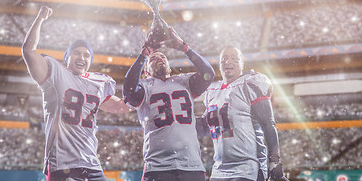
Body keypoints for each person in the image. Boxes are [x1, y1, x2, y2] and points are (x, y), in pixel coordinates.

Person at [22, 6, 131, 181]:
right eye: (77, 53)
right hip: (62, 164)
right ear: (67, 57)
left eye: (87, 55)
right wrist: (40, 18)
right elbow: (28, 51)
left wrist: (146, 92)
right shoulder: (55, 74)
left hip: (91, 164)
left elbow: (120, 106)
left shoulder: (97, 82)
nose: (82, 58)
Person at [122, 27, 215, 181]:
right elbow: (129, 91)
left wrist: (184, 47)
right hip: (158, 167)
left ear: (170, 68)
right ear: (146, 71)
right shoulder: (145, 86)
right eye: (153, 59)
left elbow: (208, 73)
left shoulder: (184, 82)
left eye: (164, 58)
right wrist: (145, 53)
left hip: (191, 166)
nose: (160, 59)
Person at [201, 46, 288, 181]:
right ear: (219, 64)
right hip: (219, 169)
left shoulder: (250, 82)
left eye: (234, 58)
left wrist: (274, 161)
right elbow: (204, 127)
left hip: (247, 168)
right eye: (224, 58)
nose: (228, 61)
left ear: (242, 63)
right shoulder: (212, 91)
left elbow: (268, 123)